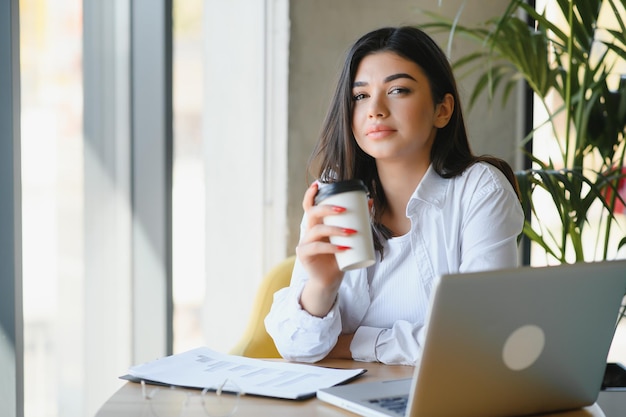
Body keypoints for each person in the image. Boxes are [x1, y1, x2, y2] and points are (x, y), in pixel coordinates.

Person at [264, 26, 524, 365]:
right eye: (360, 96)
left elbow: (479, 337)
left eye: (398, 90)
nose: (375, 109)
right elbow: (296, 348)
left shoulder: (480, 190)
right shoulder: (336, 193)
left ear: (442, 110)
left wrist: (352, 343)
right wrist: (322, 284)